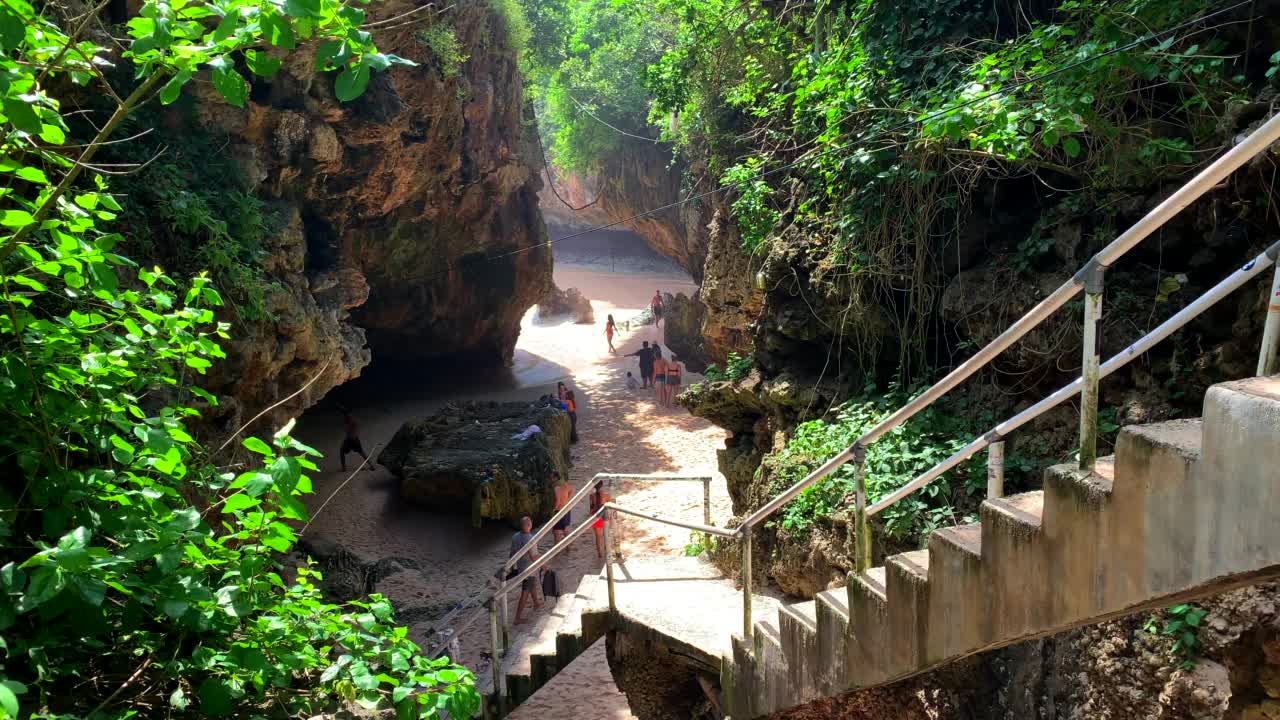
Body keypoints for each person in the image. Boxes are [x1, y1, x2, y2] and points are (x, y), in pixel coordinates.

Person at [509, 516, 542, 624]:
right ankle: (517, 618)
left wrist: (511, 567)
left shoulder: (515, 537)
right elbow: (534, 556)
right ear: (529, 525)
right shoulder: (530, 539)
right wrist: (544, 564)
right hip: (529, 569)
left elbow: (512, 554)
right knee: (525, 592)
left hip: (520, 567)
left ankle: (536, 603)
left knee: (533, 584)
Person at [338, 407, 373, 472]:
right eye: (345, 414)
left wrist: (350, 435)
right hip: (350, 439)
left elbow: (353, 431)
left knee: (361, 453)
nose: (347, 415)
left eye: (347, 414)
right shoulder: (347, 420)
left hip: (352, 440)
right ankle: (344, 468)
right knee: (342, 452)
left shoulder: (352, 421)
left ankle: (371, 465)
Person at [589, 482, 609, 560]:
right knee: (606, 535)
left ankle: (600, 554)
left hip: (596, 517)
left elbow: (591, 509)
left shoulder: (591, 496)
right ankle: (607, 552)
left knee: (598, 537)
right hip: (605, 516)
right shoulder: (606, 495)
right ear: (602, 486)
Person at [551, 472, 571, 544]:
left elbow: (558, 500)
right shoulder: (564, 483)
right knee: (566, 529)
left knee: (557, 532)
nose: (551, 479)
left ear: (556, 478)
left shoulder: (557, 487)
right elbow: (571, 490)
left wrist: (554, 510)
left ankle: (556, 552)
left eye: (552, 477)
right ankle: (568, 548)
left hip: (559, 510)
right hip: (567, 508)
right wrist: (566, 498)